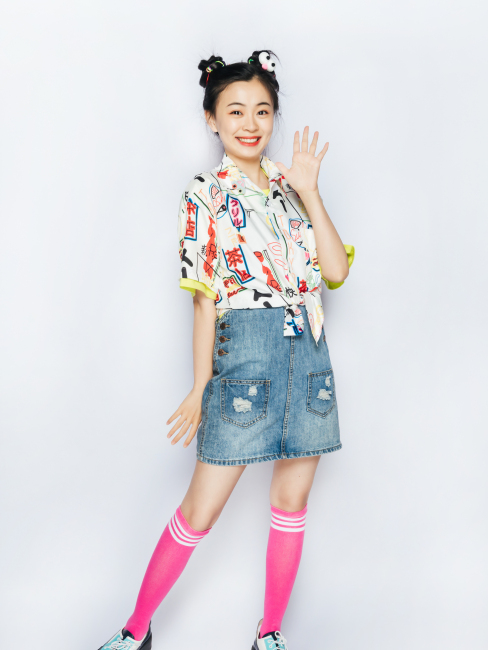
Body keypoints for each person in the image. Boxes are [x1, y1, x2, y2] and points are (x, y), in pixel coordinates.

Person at [97, 49, 355, 650]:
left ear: (274, 117)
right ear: (211, 118)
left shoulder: (292, 188)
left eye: (262, 110)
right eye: (235, 110)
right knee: (201, 510)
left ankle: (270, 633)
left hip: (309, 359)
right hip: (245, 361)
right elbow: (204, 300)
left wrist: (311, 192)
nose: (250, 122)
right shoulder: (204, 194)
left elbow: (336, 272)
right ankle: (135, 630)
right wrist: (200, 386)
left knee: (291, 502)